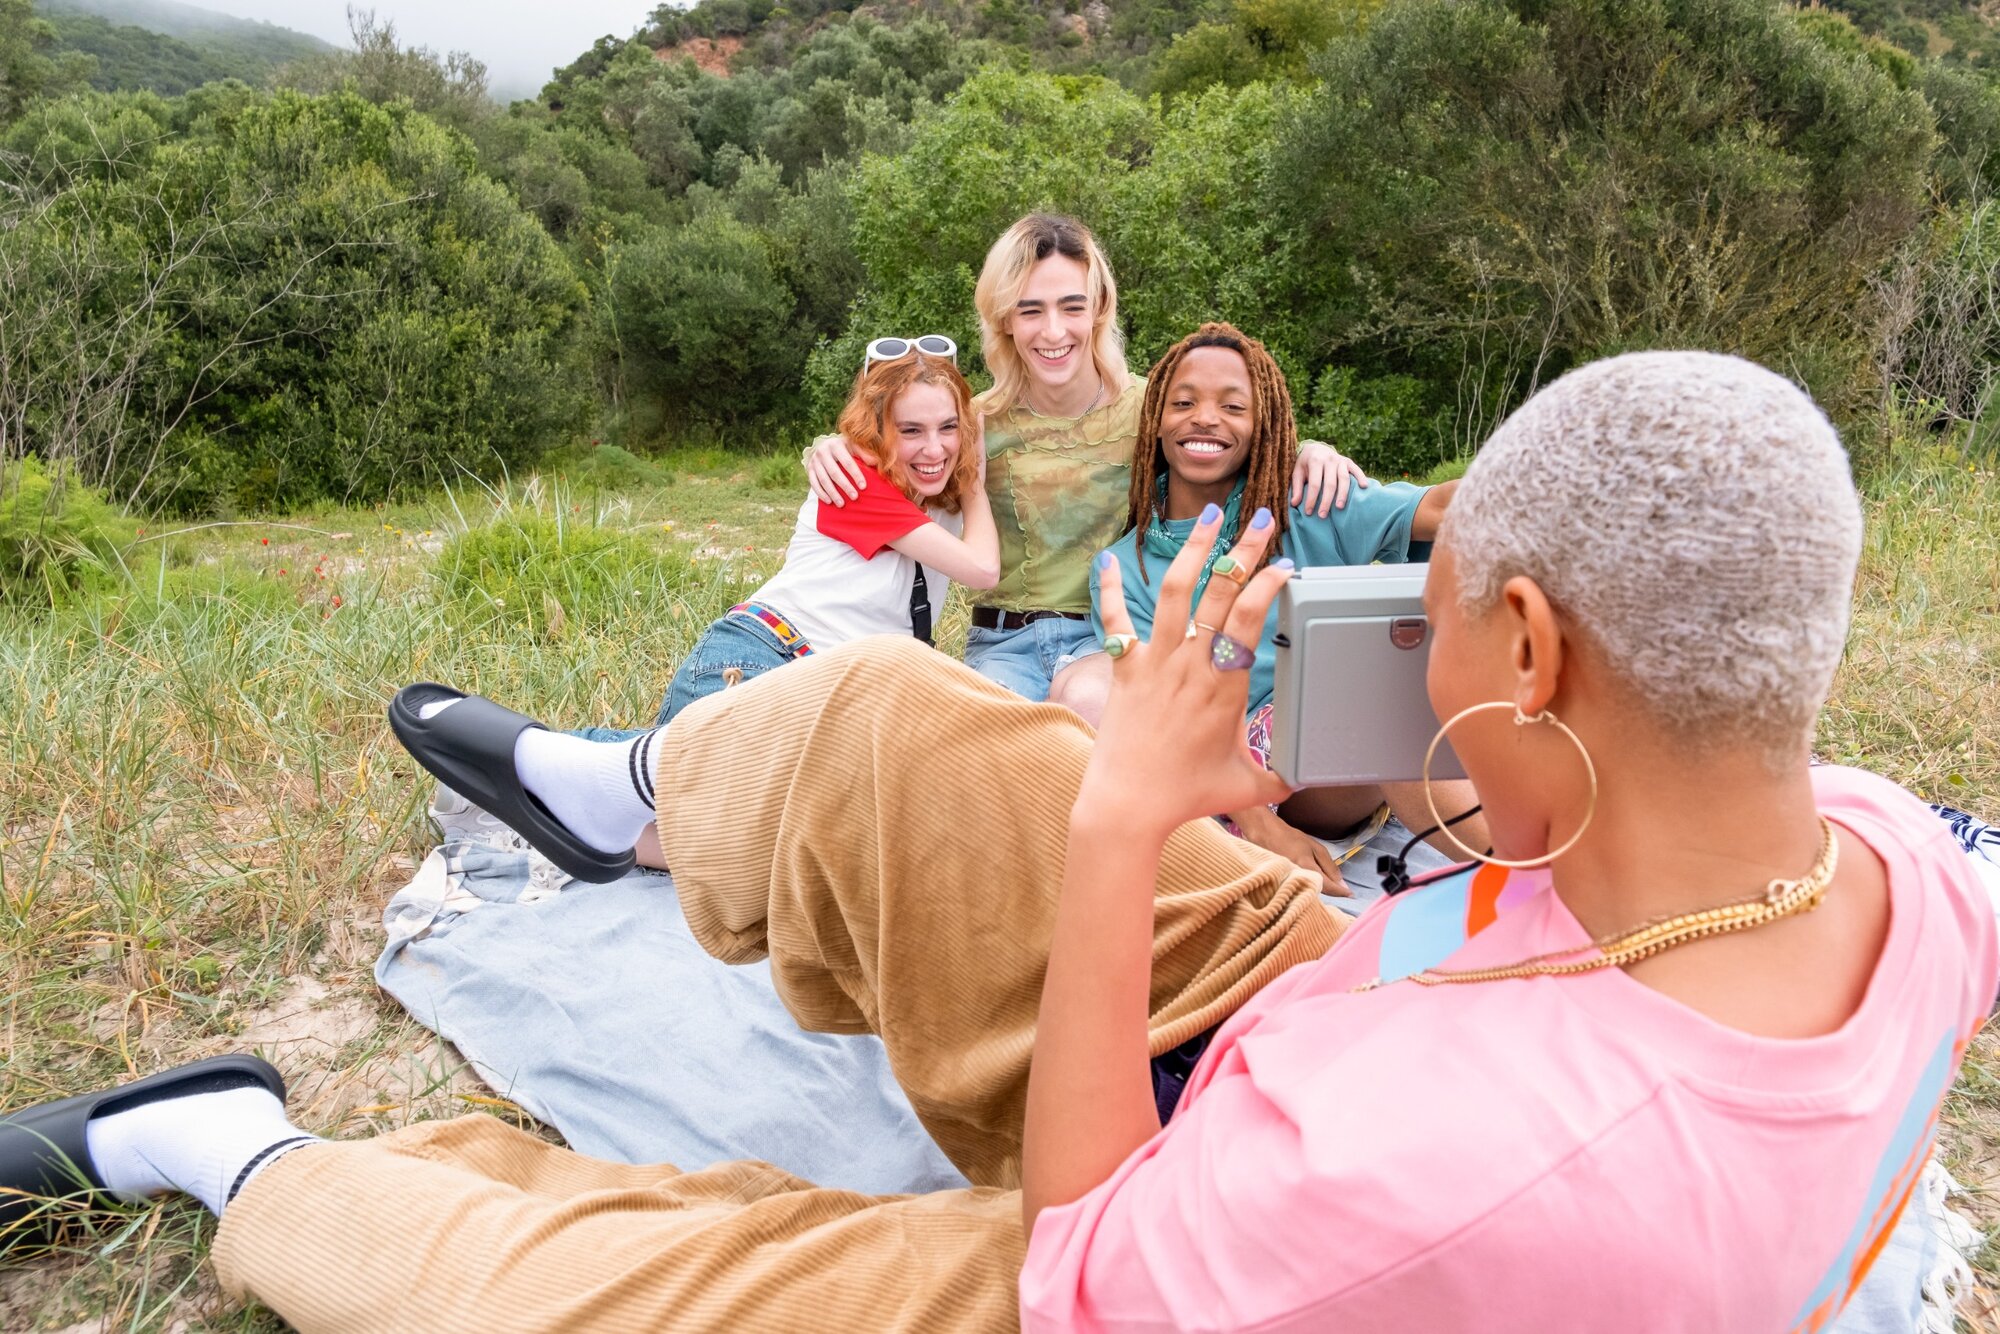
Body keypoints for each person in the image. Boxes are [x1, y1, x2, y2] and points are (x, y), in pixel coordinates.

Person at [4, 352, 1991, 1334]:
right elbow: (1509, 926)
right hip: (1340, 1030)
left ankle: (229, 1145)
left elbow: (1074, 1249)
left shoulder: (1458, 1187)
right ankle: (627, 792)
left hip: (1207, 1200)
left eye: (1444, 608)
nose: (1419, 638)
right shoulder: (1882, 847)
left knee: (675, 1277)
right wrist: (1283, 812)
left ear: (1538, 646)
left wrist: (1132, 825)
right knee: (907, 718)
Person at [806, 213, 1366, 720]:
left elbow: (1233, 443)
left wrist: (1312, 448)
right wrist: (833, 446)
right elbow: (900, 453)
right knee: (983, 747)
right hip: (1000, 642)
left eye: (1072, 307)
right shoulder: (969, 424)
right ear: (1004, 320)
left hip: (1110, 635)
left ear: (1098, 310)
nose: (1054, 332)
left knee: (1086, 712)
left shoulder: (1151, 409)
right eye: (1031, 311)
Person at [1089, 322, 1480, 895]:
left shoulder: (1312, 503)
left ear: (1262, 425)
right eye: (1183, 402)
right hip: (1209, 786)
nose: (1205, 418)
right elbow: (1163, 726)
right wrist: (1263, 826)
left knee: (1385, 677)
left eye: (1233, 406)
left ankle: (1525, 863)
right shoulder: (1127, 568)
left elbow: (1445, 508)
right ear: (1155, 423)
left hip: (1333, 768)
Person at [659, 338, 995, 725]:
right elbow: (983, 569)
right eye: (911, 431)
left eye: (948, 427)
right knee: (677, 778)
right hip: (766, 657)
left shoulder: (936, 492)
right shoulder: (855, 482)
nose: (934, 450)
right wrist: (973, 478)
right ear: (877, 430)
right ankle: (573, 755)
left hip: (838, 694)